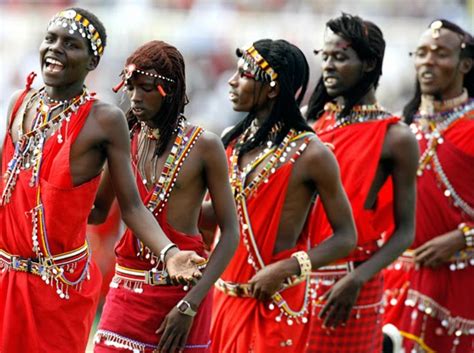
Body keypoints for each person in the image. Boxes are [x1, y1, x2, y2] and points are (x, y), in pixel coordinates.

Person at [0, 8, 204, 353]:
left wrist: (168, 253)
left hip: (58, 291)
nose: (56, 48)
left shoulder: (104, 119)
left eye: (71, 44)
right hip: (5, 278)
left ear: (92, 62)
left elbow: (131, 206)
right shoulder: (17, 103)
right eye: (50, 39)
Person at [203, 39, 357, 353]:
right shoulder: (230, 142)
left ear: (272, 89)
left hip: (273, 304)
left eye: (244, 74)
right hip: (220, 300)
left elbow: (346, 236)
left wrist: (289, 268)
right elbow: (219, 215)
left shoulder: (312, 153)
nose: (232, 82)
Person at [90, 40, 239, 353]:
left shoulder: (204, 146)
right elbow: (97, 211)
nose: (134, 97)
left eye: (145, 88)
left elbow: (230, 235)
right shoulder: (125, 138)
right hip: (125, 291)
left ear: (168, 91)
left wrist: (191, 305)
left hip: (183, 294)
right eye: (130, 87)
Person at [304, 13, 418, 353]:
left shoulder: (395, 136)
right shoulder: (311, 122)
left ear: (369, 63)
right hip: (298, 279)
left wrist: (357, 279)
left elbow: (405, 231)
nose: (328, 66)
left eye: (340, 57)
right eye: (324, 56)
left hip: (354, 286)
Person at [383, 19, 474, 353]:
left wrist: (462, 238)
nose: (428, 61)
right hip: (396, 284)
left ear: (465, 64)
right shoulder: (399, 128)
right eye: (421, 53)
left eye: (440, 53)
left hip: (460, 284)